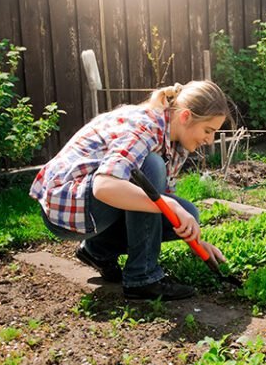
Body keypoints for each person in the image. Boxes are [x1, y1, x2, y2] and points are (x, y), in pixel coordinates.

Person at [30, 81, 229, 300]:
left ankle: (97, 250)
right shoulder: (146, 127)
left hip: (94, 207)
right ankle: (142, 279)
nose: (210, 140)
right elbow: (104, 186)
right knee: (150, 165)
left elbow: (161, 196)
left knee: (187, 214)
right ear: (185, 117)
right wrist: (168, 204)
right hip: (68, 206)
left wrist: (196, 242)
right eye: (208, 131)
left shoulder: (176, 142)